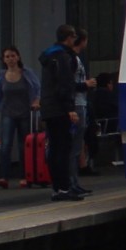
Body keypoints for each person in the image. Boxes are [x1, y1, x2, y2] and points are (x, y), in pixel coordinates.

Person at [0, 45, 40, 189]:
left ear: (18, 57)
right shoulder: (2, 75)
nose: (10, 59)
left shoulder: (27, 73)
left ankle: (24, 176)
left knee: (24, 145)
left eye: (13, 56)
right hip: (8, 113)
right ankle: (4, 176)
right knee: (6, 145)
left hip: (25, 113)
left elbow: (37, 88)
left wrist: (36, 101)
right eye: (7, 57)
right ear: (3, 59)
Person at [39, 24, 82, 201]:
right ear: (69, 37)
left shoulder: (49, 56)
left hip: (48, 108)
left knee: (55, 148)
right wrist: (70, 108)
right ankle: (64, 188)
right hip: (59, 108)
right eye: (74, 37)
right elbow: (65, 85)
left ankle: (57, 188)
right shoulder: (63, 57)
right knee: (63, 149)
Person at [68, 28, 97, 195]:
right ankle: (72, 182)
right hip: (77, 104)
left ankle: (73, 181)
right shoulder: (72, 59)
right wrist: (86, 84)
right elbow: (70, 84)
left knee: (76, 146)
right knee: (75, 146)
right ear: (83, 41)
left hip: (80, 103)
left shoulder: (74, 58)